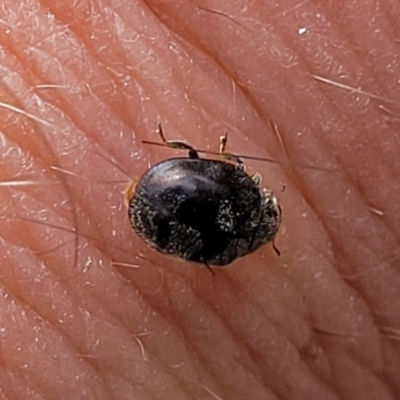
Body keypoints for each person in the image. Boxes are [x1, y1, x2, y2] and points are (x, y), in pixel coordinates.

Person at [1, 1, 398, 398]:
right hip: (157, 208)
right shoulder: (230, 251)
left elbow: (225, 168)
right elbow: (204, 248)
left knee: (204, 158)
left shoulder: (244, 194)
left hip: (164, 188)